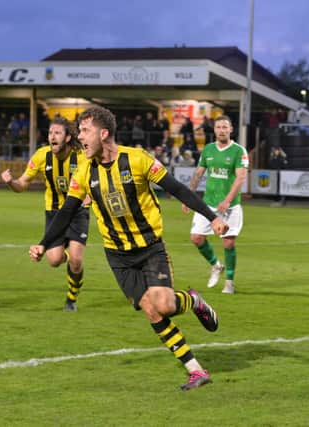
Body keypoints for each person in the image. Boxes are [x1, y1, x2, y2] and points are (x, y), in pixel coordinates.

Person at [29, 106, 227, 390]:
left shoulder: (137, 160)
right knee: (151, 310)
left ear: (104, 133)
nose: (79, 136)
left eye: (85, 130)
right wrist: (44, 243)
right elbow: (66, 212)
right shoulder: (84, 170)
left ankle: (193, 301)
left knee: (166, 305)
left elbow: (177, 189)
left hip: (150, 247)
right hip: (118, 255)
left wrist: (212, 217)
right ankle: (195, 370)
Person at [1, 117, 89, 312]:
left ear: (67, 137)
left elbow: (94, 179)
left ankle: (71, 299)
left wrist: (89, 195)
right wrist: (10, 182)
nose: (52, 136)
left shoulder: (81, 156)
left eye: (57, 133)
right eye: (50, 133)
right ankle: (65, 252)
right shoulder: (41, 156)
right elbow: (23, 183)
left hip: (77, 211)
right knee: (54, 260)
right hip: (54, 212)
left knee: (76, 260)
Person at [182, 115, 248, 294]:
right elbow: (198, 173)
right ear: (215, 130)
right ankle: (216, 265)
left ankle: (229, 282)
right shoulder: (208, 149)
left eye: (225, 127)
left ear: (231, 129)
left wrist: (227, 200)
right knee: (196, 238)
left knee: (228, 243)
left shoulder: (238, 151)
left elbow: (241, 177)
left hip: (230, 206)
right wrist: (188, 197)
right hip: (208, 204)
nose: (221, 130)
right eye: (218, 127)